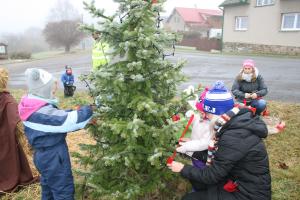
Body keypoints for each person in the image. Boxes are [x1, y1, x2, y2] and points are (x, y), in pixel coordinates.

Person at [168, 81, 271, 200]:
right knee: (197, 181)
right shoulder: (234, 123)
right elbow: (222, 157)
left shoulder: (233, 136)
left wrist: (182, 168)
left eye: (208, 114)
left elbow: (212, 175)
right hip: (236, 179)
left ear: (217, 113)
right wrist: (189, 149)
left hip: (247, 194)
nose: (207, 117)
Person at [18, 68, 93, 200]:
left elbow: (54, 120)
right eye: (52, 87)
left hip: (43, 155)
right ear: (43, 89)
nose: (55, 90)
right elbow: (66, 121)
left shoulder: (30, 106)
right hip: (53, 156)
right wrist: (90, 110)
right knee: (63, 191)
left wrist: (74, 111)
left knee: (48, 188)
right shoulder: (39, 113)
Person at [0, 68, 38, 193]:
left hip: (4, 135)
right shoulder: (7, 99)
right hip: (6, 138)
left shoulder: (6, 99)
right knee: (9, 158)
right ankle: (10, 179)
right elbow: (17, 120)